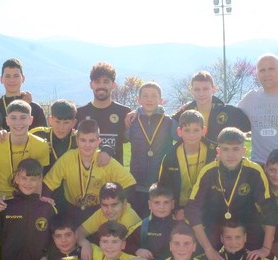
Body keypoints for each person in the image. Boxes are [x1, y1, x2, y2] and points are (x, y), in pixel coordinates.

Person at [185, 127, 277, 260]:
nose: (230, 154)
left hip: (246, 226)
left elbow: (270, 210)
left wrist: (266, 248)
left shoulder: (254, 171)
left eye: (235, 149)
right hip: (215, 226)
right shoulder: (208, 172)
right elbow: (192, 210)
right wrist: (208, 249)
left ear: (243, 151)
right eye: (225, 149)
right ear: (218, 151)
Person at [43, 119, 136, 225]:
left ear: (98, 141)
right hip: (72, 210)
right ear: (77, 140)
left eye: (92, 141)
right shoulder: (67, 159)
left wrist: (118, 206)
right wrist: (45, 204)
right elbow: (48, 184)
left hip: (99, 211)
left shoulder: (105, 160)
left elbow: (130, 183)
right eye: (83, 140)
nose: (87, 145)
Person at [0, 100, 50, 228]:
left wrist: (37, 199)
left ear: (30, 120)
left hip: (26, 200)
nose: (18, 123)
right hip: (0, 201)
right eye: (13, 118)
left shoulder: (41, 145)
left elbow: (39, 176)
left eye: (23, 118)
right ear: (7, 121)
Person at [125, 82, 176, 216]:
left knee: (161, 221)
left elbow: (183, 137)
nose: (149, 99)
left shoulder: (169, 122)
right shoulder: (131, 122)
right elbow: (121, 140)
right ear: (138, 100)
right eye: (145, 96)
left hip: (162, 183)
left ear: (160, 100)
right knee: (139, 221)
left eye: (154, 96)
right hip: (138, 183)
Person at [157, 110, 216, 220]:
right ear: (179, 132)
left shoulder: (215, 152)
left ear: (204, 130)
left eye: (196, 130)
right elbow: (163, 188)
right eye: (187, 130)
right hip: (180, 209)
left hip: (208, 206)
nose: (191, 135)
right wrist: (174, 211)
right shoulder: (170, 157)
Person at [172, 70, 250, 144]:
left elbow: (250, 127)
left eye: (205, 89)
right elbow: (167, 125)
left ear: (213, 89)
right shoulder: (184, 113)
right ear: (191, 90)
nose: (201, 93)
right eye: (197, 89)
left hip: (219, 153)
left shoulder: (229, 112)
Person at [77, 62, 131, 165]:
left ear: (113, 85)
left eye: (106, 81)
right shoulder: (80, 113)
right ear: (91, 85)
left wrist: (138, 112)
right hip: (86, 173)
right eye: (97, 81)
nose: (101, 86)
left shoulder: (124, 112)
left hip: (114, 173)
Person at [77, 182, 142, 258]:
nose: (109, 210)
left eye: (114, 205)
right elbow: (79, 231)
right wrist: (85, 244)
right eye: (105, 205)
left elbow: (123, 251)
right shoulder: (101, 213)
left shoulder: (129, 218)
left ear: (124, 203)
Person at [0, 58, 47, 129]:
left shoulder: (35, 109)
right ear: (1, 79)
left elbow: (42, 134)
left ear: (23, 78)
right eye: (8, 76)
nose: (12, 80)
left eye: (16, 76)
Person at [30, 99, 79, 173]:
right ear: (50, 120)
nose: (61, 127)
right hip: (41, 179)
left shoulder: (79, 139)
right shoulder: (37, 134)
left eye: (66, 123)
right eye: (57, 122)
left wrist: (100, 153)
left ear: (73, 123)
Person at [136, 183, 178, 260]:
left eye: (166, 202)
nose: (161, 207)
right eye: (157, 202)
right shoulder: (143, 225)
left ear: (173, 204)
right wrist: (137, 250)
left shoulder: (180, 226)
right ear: (149, 204)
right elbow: (126, 244)